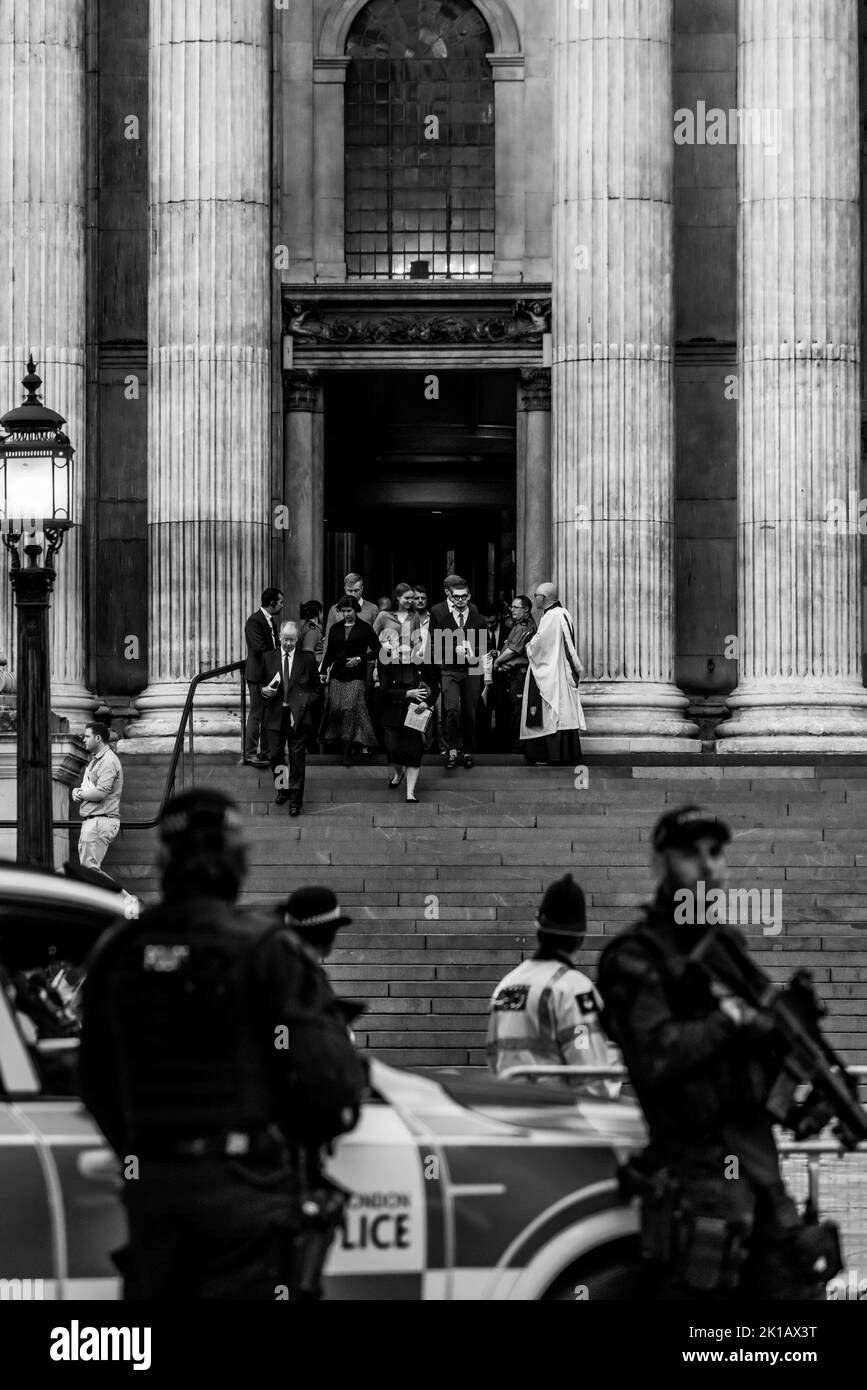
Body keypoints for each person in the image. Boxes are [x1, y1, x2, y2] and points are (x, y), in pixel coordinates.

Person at [79, 789, 366, 1300]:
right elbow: (335, 1084)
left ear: (164, 859)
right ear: (237, 861)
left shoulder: (119, 951)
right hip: (247, 1193)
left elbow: (96, 1080)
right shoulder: (268, 951)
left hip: (155, 1188)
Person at [597, 806, 829, 1300]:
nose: (706, 867)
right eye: (690, 854)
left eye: (716, 853)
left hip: (758, 1169)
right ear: (660, 864)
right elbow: (656, 1059)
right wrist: (730, 1021)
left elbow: (751, 1062)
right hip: (697, 1175)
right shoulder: (635, 956)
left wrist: (787, 1048)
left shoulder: (727, 945)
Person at [486, 874, 619, 1097]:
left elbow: (494, 1057)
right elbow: (591, 1072)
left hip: (508, 1111)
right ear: (580, 939)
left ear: (538, 930)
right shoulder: (573, 989)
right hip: (557, 1117)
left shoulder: (507, 986)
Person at [260, 621, 323, 816]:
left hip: (299, 716)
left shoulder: (307, 659)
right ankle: (282, 789)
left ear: (297, 639)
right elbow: (259, 684)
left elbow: (317, 689)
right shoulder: (268, 658)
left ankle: (295, 800)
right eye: (285, 639)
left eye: (292, 640)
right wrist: (264, 691)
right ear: (279, 636)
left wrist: (304, 702)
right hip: (275, 714)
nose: (288, 643)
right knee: (276, 756)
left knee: (297, 759)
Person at [520, 581, 586, 765]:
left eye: (536, 595)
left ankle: (546, 754)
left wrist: (528, 645)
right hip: (559, 669)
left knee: (551, 714)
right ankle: (564, 754)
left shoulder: (551, 617)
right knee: (562, 712)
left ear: (544, 597)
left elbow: (540, 645)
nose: (535, 598)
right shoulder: (563, 613)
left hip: (552, 672)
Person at [430, 576, 488, 771]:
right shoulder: (442, 619)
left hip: (472, 669)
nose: (461, 600)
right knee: (452, 709)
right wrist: (454, 648)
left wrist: (471, 650)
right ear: (451, 598)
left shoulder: (478, 619)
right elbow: (435, 647)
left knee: (470, 711)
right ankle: (453, 749)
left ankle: (468, 750)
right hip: (450, 670)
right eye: (457, 597)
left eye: (464, 597)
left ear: (468, 597)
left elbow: (485, 646)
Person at [376, 627, 440, 804]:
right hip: (392, 713)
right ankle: (398, 773)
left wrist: (427, 703)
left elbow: (434, 688)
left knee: (413, 752)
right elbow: (383, 692)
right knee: (392, 750)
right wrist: (407, 693)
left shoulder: (422, 665)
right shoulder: (388, 665)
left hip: (414, 715)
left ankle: (410, 793)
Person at [319, 596, 380, 765]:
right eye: (343, 611)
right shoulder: (335, 629)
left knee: (348, 708)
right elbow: (330, 652)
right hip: (338, 674)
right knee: (336, 708)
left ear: (356, 610)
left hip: (356, 674)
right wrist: (323, 671)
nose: (346, 614)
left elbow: (378, 650)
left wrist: (360, 659)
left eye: (349, 611)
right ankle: (344, 742)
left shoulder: (365, 628)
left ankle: (348, 750)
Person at [72, 722, 123, 872]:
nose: (84, 740)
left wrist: (80, 794)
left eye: (87, 736)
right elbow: (90, 788)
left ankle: (126, 897)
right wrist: (77, 790)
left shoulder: (108, 761)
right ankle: (125, 897)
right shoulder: (97, 760)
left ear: (98, 738)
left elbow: (100, 793)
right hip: (95, 821)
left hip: (100, 820)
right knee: (89, 872)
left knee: (90, 872)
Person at [243, 587, 283, 767]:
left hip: (270, 675)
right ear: (272, 603)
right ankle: (250, 753)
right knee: (257, 714)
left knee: (268, 715)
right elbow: (259, 647)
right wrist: (278, 657)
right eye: (280, 602)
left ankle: (266, 752)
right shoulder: (254, 620)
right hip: (258, 675)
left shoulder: (271, 621)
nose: (282, 605)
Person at [492, 595, 536, 748]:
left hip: (520, 676)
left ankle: (520, 748)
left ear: (526, 609)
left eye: (516, 607)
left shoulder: (525, 625)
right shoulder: (518, 624)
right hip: (513, 675)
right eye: (512, 607)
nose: (512, 610)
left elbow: (512, 651)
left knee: (519, 710)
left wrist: (497, 662)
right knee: (513, 709)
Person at [324, 573, 378, 637]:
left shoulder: (373, 609)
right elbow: (328, 637)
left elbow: (376, 637)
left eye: (356, 590)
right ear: (345, 589)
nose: (353, 594)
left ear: (362, 588)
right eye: (350, 591)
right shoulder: (334, 609)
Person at [298, 599, 325, 664]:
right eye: (322, 612)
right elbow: (308, 653)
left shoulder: (308, 626)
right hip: (315, 668)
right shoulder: (312, 630)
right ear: (319, 612)